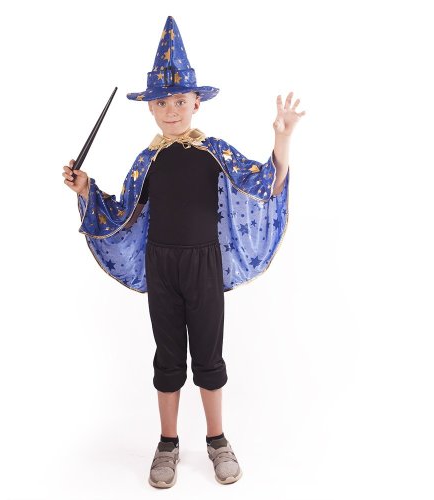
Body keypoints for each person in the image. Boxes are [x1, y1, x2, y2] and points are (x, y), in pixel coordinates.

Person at [62, 16, 304, 488]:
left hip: (204, 263)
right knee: (168, 355)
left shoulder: (214, 152)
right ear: (150, 108)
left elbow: (265, 185)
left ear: (196, 102)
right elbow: (122, 212)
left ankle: (217, 440)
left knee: (209, 355)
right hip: (162, 263)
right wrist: (87, 187)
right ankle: (168, 443)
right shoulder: (147, 160)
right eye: (162, 102)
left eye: (179, 100)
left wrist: (283, 137)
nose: (171, 110)